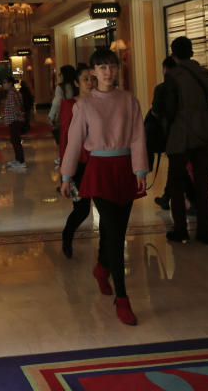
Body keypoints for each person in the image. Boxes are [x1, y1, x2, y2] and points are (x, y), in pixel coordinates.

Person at [60, 48, 148, 325]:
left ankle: (101, 267)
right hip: (99, 169)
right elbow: (74, 142)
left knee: (114, 229)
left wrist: (140, 169)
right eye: (102, 67)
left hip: (124, 169)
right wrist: (66, 176)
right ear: (94, 72)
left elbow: (137, 137)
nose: (108, 71)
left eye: (112, 66)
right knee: (116, 233)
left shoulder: (129, 100)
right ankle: (122, 298)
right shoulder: (84, 105)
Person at [162, 36, 208, 244]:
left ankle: (180, 228)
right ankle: (204, 231)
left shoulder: (173, 76)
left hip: (180, 132)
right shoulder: (204, 73)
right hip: (203, 131)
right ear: (192, 52)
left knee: (176, 182)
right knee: (203, 181)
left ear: (173, 54)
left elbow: (170, 109)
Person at [59, 63, 95, 259]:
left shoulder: (101, 102)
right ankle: (67, 235)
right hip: (79, 164)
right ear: (76, 82)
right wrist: (66, 172)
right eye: (85, 79)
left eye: (92, 79)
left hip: (99, 162)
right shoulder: (69, 105)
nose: (90, 83)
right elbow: (65, 139)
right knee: (81, 209)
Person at [151, 57, 197, 211]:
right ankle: (167, 197)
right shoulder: (189, 87)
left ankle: (190, 201)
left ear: (164, 69)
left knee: (178, 169)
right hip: (189, 133)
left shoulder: (161, 88)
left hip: (170, 134)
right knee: (180, 167)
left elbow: (156, 112)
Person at [1, 77, 27, 172]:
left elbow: (15, 107)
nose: (3, 85)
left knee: (16, 141)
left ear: (10, 83)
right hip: (16, 120)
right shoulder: (16, 92)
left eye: (5, 82)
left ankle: (21, 161)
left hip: (14, 120)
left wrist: (19, 115)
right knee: (15, 141)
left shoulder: (11, 93)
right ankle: (18, 159)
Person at [48, 65, 78, 146]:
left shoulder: (61, 87)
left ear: (64, 75)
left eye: (60, 74)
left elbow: (57, 103)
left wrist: (51, 116)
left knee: (64, 139)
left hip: (65, 116)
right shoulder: (77, 85)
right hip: (77, 114)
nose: (60, 76)